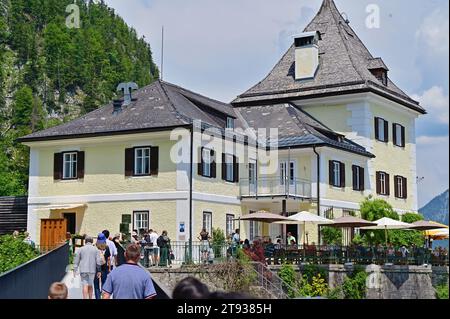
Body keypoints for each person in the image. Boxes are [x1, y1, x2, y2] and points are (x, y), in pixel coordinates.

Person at [94, 233, 111, 299]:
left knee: (96, 285)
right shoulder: (106, 247)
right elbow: (109, 259)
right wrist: (109, 268)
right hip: (104, 268)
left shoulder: (94, 247)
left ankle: (97, 297)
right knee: (104, 283)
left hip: (95, 268)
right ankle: (103, 297)